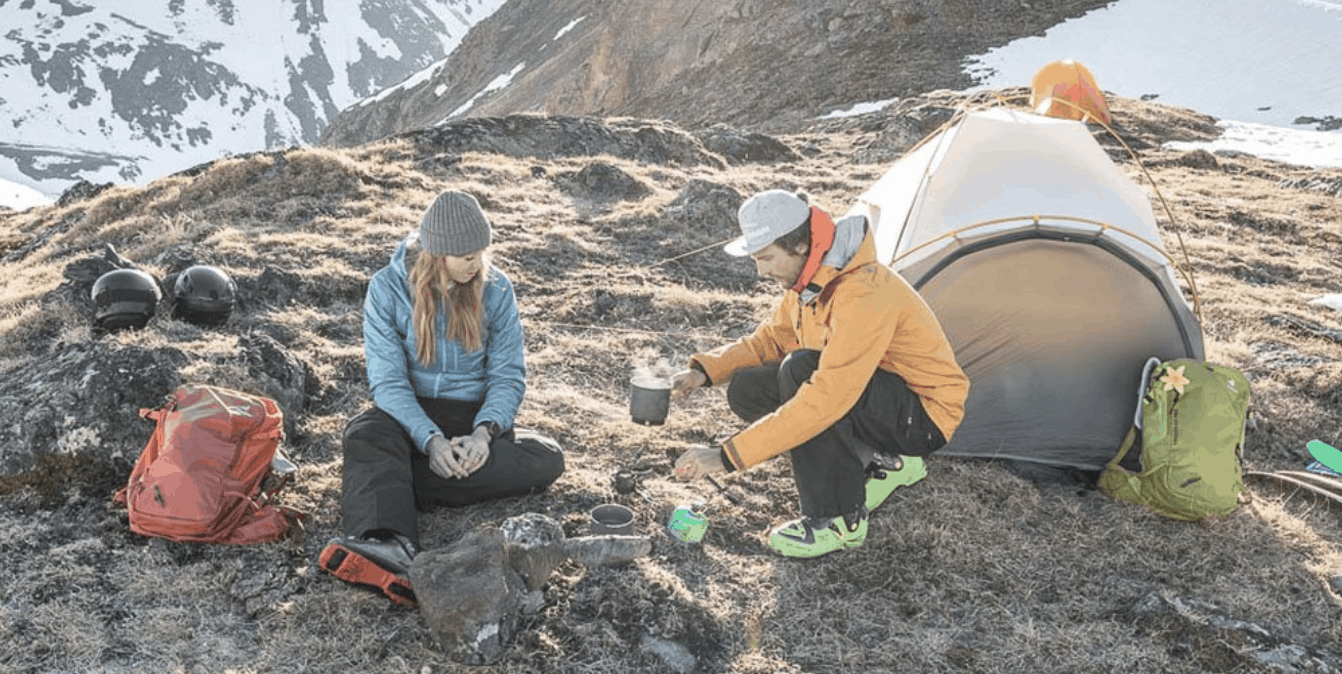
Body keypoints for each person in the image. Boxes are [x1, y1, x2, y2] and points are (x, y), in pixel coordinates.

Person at [670, 189, 969, 558]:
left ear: (798, 246)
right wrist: (705, 371)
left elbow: (826, 397)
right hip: (873, 395)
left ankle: (839, 519)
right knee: (748, 387)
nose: (761, 271)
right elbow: (771, 339)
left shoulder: (863, 292)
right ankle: (880, 459)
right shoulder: (810, 278)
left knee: (801, 372)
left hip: (922, 416)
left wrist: (726, 456)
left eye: (766, 258)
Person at [323, 190, 565, 599]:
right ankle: (389, 544)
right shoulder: (387, 289)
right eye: (467, 256)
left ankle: (397, 483)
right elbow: (388, 384)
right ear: (437, 254)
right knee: (365, 433)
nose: (477, 263)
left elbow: (507, 375)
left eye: (481, 254)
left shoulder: (497, 289)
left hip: (472, 417)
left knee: (546, 457)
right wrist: (430, 440)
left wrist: (484, 434)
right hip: (411, 415)